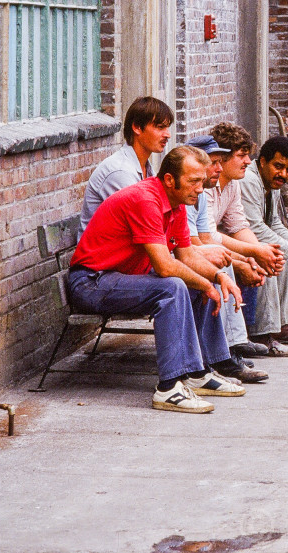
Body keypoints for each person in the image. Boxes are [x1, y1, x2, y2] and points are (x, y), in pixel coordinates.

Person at [68, 145, 247, 413]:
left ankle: (198, 373)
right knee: (173, 286)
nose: (201, 188)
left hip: (121, 277)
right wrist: (206, 283)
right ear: (169, 180)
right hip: (92, 282)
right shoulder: (146, 200)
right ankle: (169, 388)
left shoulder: (176, 203)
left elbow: (186, 257)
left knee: (194, 283)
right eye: (193, 181)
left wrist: (219, 277)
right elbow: (165, 266)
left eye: (202, 180)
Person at [185, 134, 269, 385]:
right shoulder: (189, 189)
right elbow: (187, 245)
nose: (218, 168)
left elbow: (202, 238)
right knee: (222, 263)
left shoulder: (200, 191)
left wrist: (255, 254)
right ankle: (223, 355)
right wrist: (239, 259)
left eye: (221, 161)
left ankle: (236, 345)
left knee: (236, 258)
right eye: (213, 162)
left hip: (183, 250)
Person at [241, 136, 288, 355]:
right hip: (235, 240)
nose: (283, 174)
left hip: (250, 237)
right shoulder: (249, 179)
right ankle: (262, 334)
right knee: (269, 255)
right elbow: (255, 227)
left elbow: (273, 222)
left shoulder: (271, 185)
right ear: (262, 161)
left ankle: (283, 326)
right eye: (278, 166)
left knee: (281, 251)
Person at [80, 96, 173, 232]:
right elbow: (144, 221)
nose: (168, 134)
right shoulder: (120, 171)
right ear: (137, 127)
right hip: (105, 252)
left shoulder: (145, 167)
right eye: (160, 127)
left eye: (168, 128)